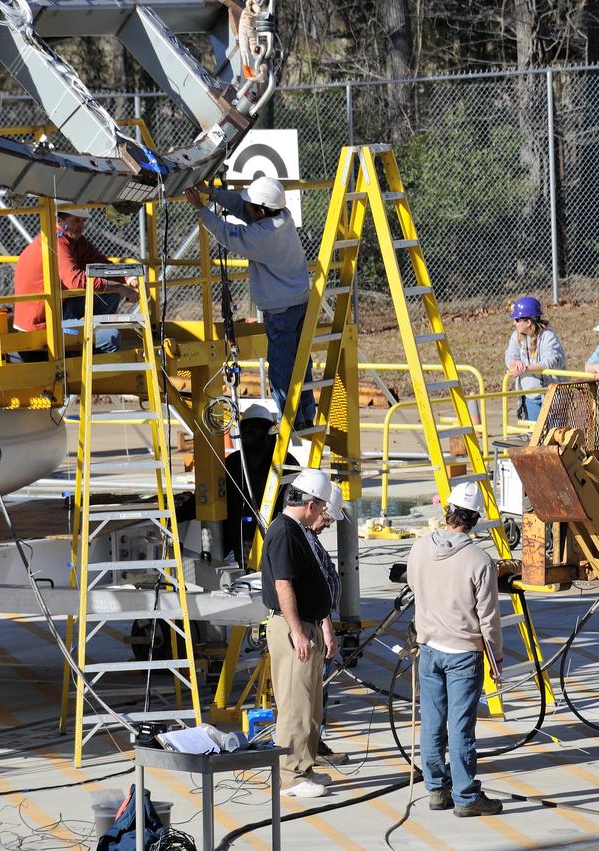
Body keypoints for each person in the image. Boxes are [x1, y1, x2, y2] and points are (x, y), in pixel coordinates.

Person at [185, 177, 317, 429]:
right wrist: (212, 193)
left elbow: (229, 234)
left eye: (250, 206)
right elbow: (243, 207)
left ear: (261, 210)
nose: (245, 208)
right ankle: (305, 416)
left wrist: (200, 209)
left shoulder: (262, 236)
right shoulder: (282, 217)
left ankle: (291, 421)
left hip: (280, 310)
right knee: (301, 362)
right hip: (300, 302)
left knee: (281, 369)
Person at [407, 481, 504, 818]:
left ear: (447, 511)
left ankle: (436, 789)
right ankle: (465, 796)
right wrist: (496, 658)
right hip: (463, 652)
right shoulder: (479, 560)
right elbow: (488, 617)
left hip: (429, 647)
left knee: (432, 722)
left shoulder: (419, 548)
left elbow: (412, 583)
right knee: (461, 727)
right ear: (474, 518)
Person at [261, 468, 338, 798]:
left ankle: (303, 767)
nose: (324, 514)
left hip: (308, 624)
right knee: (295, 703)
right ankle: (291, 776)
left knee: (310, 704)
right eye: (322, 508)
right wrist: (298, 631)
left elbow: (311, 582)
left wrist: (323, 625)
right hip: (295, 627)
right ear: (311, 504)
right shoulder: (284, 533)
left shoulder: (299, 531)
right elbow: (283, 585)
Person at [12, 204, 136, 357]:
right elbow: (75, 281)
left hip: (57, 311)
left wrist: (129, 278)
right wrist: (120, 287)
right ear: (59, 220)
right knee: (112, 338)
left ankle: (86, 333)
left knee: (110, 294)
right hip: (41, 327)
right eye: (76, 220)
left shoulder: (73, 240)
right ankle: (84, 356)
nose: (81, 226)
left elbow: (101, 264)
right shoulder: (56, 241)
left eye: (83, 221)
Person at [304, 486, 349, 766]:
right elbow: (315, 588)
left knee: (320, 690)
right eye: (327, 518)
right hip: (317, 625)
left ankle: (315, 743)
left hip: (320, 622)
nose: (328, 525)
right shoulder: (304, 539)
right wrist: (326, 628)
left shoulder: (309, 537)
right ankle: (311, 748)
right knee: (314, 691)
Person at [223, 405, 296, 568]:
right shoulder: (233, 463)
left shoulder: (287, 463)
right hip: (242, 541)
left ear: (268, 433)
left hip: (278, 539)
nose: (249, 434)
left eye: (254, 429)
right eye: (246, 430)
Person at [503, 296, 566, 422]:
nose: (514, 323)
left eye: (517, 319)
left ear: (528, 322)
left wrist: (526, 369)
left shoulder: (547, 336)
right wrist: (515, 363)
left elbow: (552, 361)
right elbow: (509, 355)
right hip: (530, 396)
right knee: (534, 435)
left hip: (553, 396)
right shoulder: (516, 336)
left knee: (554, 435)